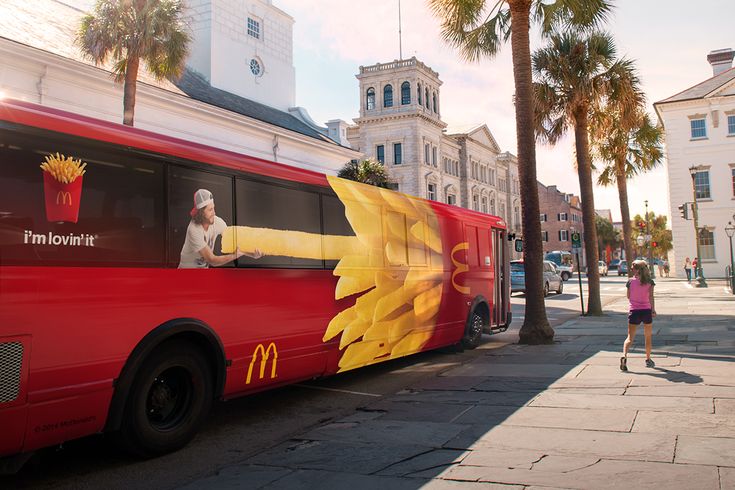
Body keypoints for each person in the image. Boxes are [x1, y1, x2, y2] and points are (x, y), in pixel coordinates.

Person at [179, 189, 263, 268]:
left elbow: (233, 243)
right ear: (201, 213)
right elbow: (212, 260)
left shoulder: (217, 222)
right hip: (185, 274)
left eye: (213, 208)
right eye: (210, 210)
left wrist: (252, 254)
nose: (214, 212)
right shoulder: (193, 229)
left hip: (202, 274)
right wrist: (235, 255)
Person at [620, 259, 656, 372]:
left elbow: (628, 296)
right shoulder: (650, 282)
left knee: (630, 338)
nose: (631, 270)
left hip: (634, 311)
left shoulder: (630, 282)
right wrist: (653, 310)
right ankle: (648, 359)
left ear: (636, 270)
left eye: (632, 268)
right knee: (648, 337)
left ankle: (624, 356)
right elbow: (651, 297)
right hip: (646, 311)